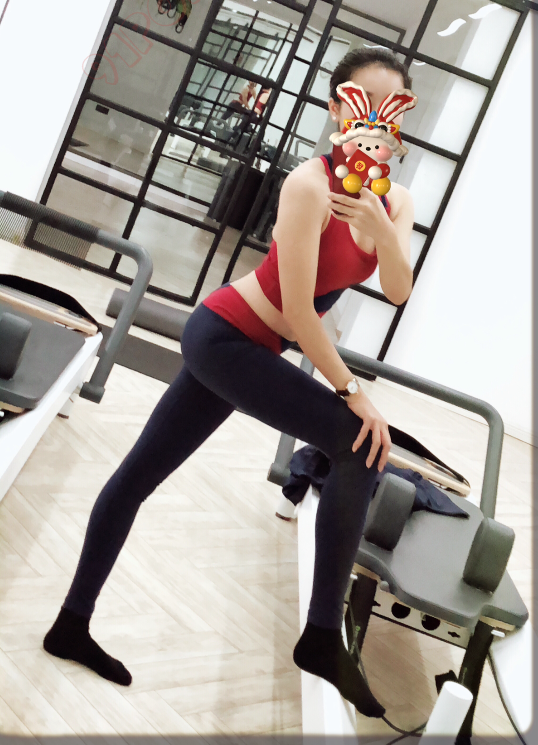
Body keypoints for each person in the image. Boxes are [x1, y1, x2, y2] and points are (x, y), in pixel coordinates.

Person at [43, 47, 415, 718]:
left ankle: (70, 625)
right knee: (359, 444)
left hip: (251, 345)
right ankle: (321, 638)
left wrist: (383, 235)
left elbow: (397, 289)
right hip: (223, 337)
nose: (376, 125)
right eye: (364, 104)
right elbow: (298, 311)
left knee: (137, 476)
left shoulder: (396, 201)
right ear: (338, 109)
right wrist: (353, 393)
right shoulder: (308, 186)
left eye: (392, 113)